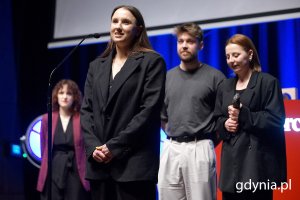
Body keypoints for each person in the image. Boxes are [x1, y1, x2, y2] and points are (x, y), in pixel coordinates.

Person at [80, 5, 166, 200]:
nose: (118, 26)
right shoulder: (96, 65)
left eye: (126, 22)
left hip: (133, 165)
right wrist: (94, 147)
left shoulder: (152, 62)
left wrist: (114, 147)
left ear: (138, 29)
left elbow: (148, 112)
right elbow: (86, 111)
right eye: (115, 21)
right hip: (99, 165)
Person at [214, 34, 287, 200]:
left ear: (250, 54)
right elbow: (216, 119)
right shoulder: (224, 87)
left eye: (236, 55)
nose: (231, 60)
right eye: (227, 56)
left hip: (257, 167)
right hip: (231, 169)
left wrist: (243, 115)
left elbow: (276, 120)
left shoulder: (268, 82)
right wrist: (225, 124)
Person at [157, 22, 226, 200]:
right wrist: (177, 137)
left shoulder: (215, 77)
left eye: (190, 41)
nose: (184, 45)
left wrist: (206, 141)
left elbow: (223, 119)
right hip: (171, 147)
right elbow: (162, 118)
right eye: (180, 41)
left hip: (200, 146)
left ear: (201, 45)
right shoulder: (166, 77)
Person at [37, 79, 90, 200]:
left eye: (69, 93)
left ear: (75, 97)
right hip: (53, 168)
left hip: (75, 169)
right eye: (61, 93)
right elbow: (43, 146)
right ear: (56, 95)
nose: (65, 96)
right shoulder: (47, 119)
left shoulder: (82, 119)